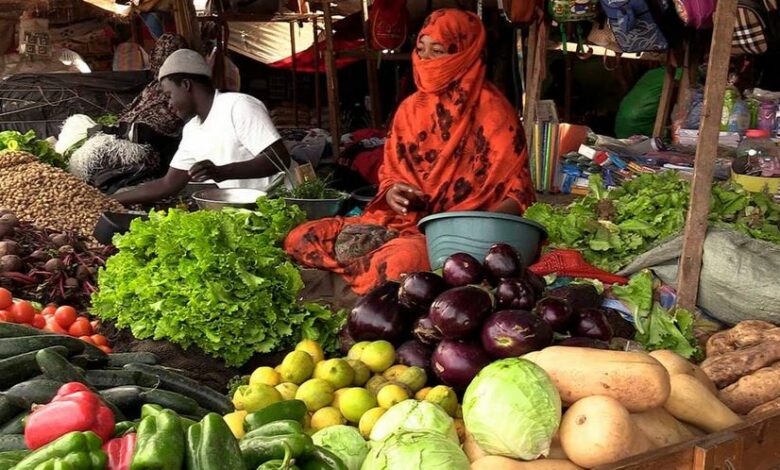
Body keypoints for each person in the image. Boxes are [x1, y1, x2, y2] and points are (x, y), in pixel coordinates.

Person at [285, 9, 536, 295]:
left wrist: (474, 226)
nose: (425, 60)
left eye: (437, 51)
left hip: (454, 237)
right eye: (420, 50)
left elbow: (519, 194)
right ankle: (366, 272)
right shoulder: (409, 110)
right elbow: (390, 175)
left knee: (398, 263)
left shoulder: (495, 114)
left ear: (464, 52)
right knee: (301, 237)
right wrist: (393, 193)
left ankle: (363, 274)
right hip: (399, 223)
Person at [114, 49, 291, 206]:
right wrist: (108, 200)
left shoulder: (238, 106)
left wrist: (222, 171)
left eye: (169, 95)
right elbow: (168, 184)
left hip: (280, 204)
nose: (168, 104)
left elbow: (278, 158)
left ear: (186, 85)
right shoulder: (192, 130)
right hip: (241, 209)